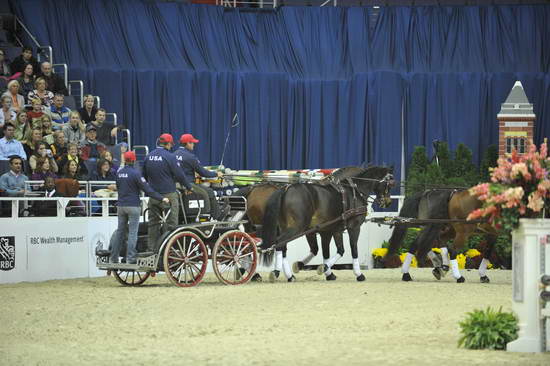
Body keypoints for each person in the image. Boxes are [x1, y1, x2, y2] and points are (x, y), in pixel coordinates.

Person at [110, 151, 168, 264]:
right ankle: (131, 258)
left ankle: (113, 258)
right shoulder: (135, 174)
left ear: (125, 160)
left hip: (121, 206)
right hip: (133, 206)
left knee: (120, 232)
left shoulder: (119, 173)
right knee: (132, 233)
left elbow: (118, 186)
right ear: (133, 160)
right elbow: (147, 190)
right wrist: (161, 198)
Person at [142, 133, 193, 252]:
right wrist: (189, 187)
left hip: (154, 196)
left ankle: (152, 250)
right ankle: (169, 250)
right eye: (171, 145)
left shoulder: (148, 156)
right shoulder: (170, 157)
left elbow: (143, 176)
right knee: (171, 224)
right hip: (168, 195)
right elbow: (180, 175)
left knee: (153, 224)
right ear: (169, 144)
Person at [175, 133, 228, 220]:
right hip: (187, 184)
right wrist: (216, 174)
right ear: (187, 143)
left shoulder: (173, 155)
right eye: (192, 143)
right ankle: (217, 216)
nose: (194, 145)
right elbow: (203, 173)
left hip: (175, 185)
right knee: (210, 191)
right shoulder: (190, 157)